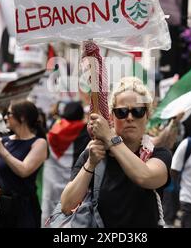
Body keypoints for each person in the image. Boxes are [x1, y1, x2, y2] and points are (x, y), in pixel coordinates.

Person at [60, 77, 171, 228]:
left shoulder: (157, 154)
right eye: (122, 112)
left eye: (138, 111)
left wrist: (110, 138)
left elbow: (145, 177)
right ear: (111, 117)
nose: (130, 118)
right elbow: (66, 205)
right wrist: (91, 164)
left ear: (147, 116)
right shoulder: (94, 153)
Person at [0, 100, 48, 228]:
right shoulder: (3, 141)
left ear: (22, 117)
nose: (4, 117)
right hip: (1, 206)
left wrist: (1, 150)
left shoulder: (39, 143)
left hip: (24, 209)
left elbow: (24, 171)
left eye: (9, 114)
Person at [41, 101, 91, 226]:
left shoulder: (53, 127)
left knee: (49, 214)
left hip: (52, 178)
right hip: (73, 181)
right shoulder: (85, 131)